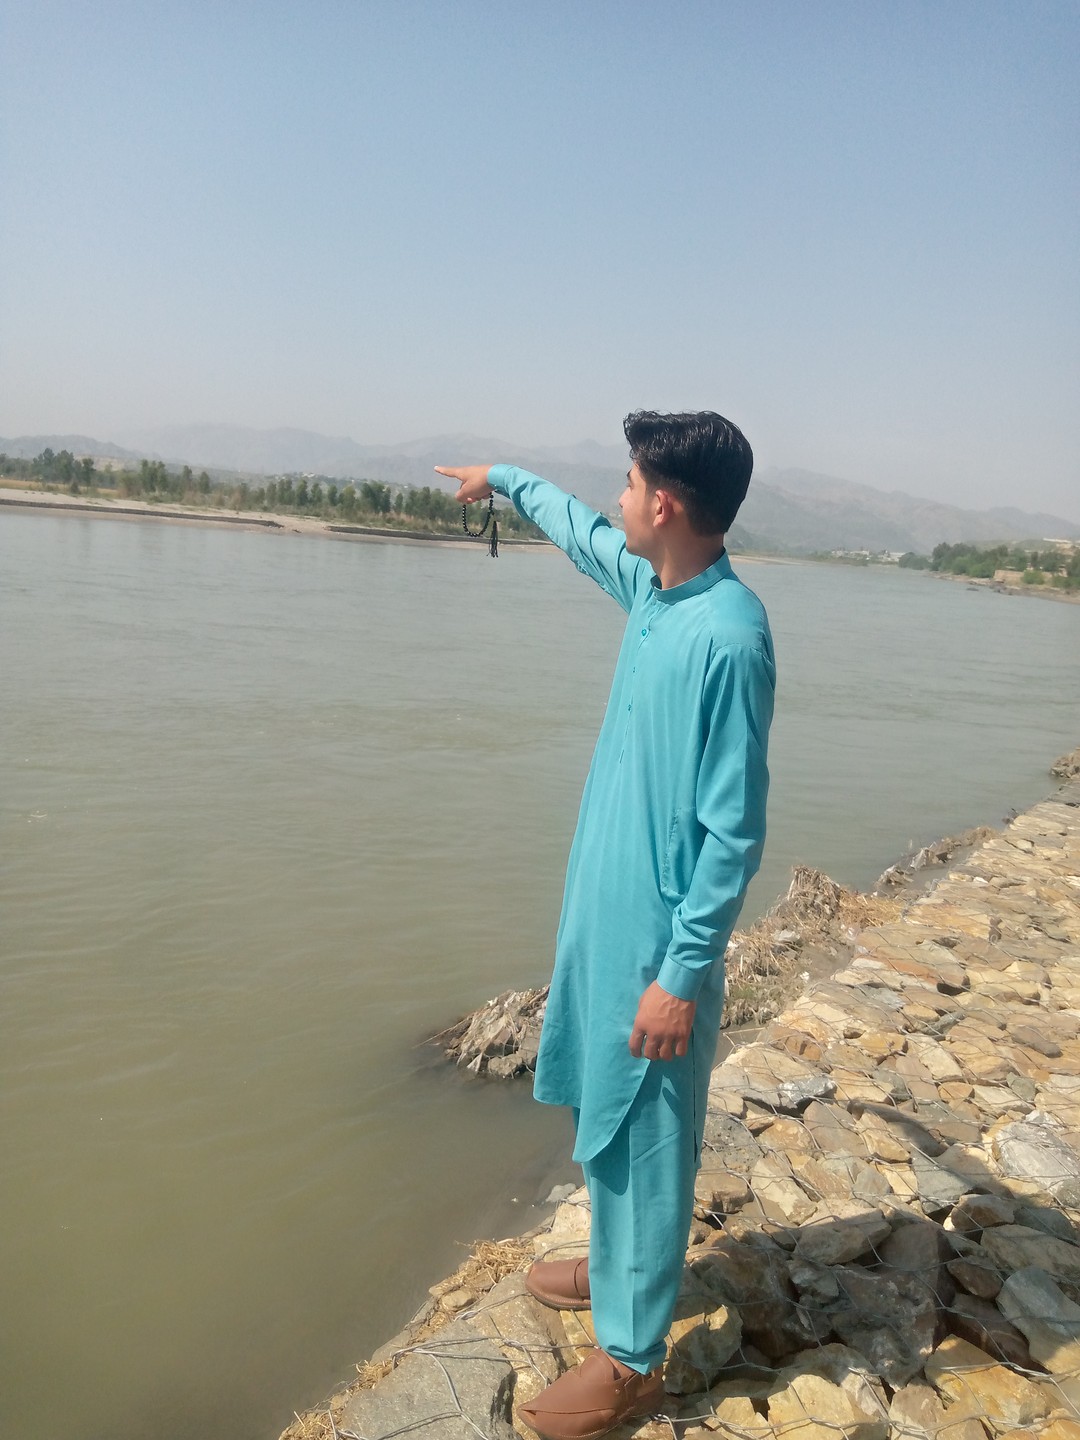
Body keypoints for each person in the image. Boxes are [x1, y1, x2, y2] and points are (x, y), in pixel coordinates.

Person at [436, 410, 774, 1440]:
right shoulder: (656, 593)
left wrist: (683, 971)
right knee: (602, 1096)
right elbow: (583, 532)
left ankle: (633, 1360)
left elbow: (733, 832)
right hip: (604, 910)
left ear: (664, 504)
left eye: (628, 484)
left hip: (658, 939)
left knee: (650, 1129)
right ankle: (618, 1262)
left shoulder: (729, 636)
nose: (616, 500)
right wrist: (505, 477)